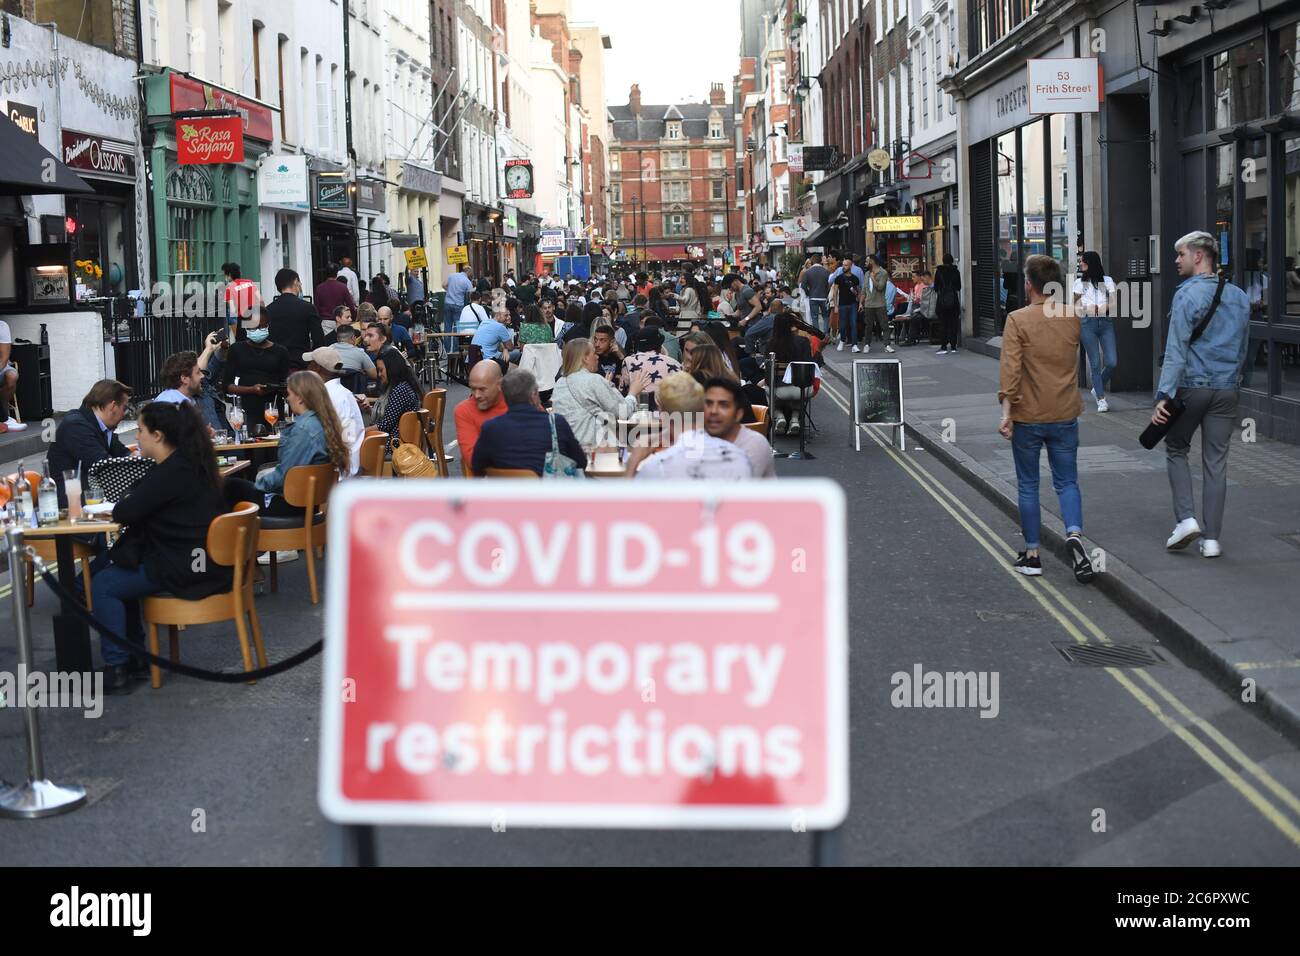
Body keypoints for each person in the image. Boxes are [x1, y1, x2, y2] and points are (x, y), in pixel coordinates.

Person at [90, 401, 231, 692]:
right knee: (120, 568)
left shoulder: (170, 472)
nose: (136, 437)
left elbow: (127, 512)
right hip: (201, 560)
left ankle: (117, 666)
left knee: (103, 584)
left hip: (185, 567)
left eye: (140, 430)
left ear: (158, 435)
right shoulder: (189, 463)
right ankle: (135, 657)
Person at [1152, 231, 1251, 559]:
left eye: (1180, 254)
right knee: (1216, 463)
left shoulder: (1186, 296)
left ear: (1198, 256)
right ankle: (1212, 540)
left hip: (1193, 387)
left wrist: (1164, 396)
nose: (1176, 260)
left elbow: (1176, 349)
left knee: (1176, 448)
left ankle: (1186, 520)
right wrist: (1234, 382)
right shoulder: (1238, 296)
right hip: (1226, 389)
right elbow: (1242, 348)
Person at [997, 253, 1094, 583]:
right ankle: (1075, 534)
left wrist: (1006, 414)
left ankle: (1033, 554)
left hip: (1029, 415)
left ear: (1029, 285)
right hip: (1065, 413)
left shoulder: (1017, 319)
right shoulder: (1071, 316)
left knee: (1028, 484)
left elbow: (1011, 372)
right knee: (1067, 481)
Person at [226, 371, 350, 526]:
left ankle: (232, 546)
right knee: (237, 484)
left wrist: (259, 481)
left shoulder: (303, 429)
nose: (287, 398)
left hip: (290, 504)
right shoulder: (324, 422)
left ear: (300, 397)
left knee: (227, 486)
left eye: (290, 394)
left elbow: (284, 476)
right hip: (308, 502)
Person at [628, 372, 753, 480]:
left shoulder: (657, 467)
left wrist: (633, 462)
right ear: (704, 411)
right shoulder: (740, 458)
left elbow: (626, 505)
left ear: (664, 416)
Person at [472, 369, 586, 476]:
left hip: (506, 495)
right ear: (534, 394)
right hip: (549, 495)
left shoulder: (490, 428)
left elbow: (478, 466)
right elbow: (581, 462)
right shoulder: (556, 423)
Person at [551, 338, 648, 449]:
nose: (597, 357)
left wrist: (605, 386)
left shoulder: (560, 383)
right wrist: (632, 393)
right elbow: (622, 412)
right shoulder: (594, 380)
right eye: (594, 353)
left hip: (565, 448)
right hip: (594, 448)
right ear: (585, 358)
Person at [48, 379, 132, 506]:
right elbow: (104, 467)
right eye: (124, 408)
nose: (124, 415)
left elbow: (123, 454)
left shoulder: (101, 426)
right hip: (70, 504)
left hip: (92, 497)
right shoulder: (75, 426)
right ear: (113, 406)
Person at [223, 306, 290, 428]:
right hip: (246, 409)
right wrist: (251, 389)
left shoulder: (280, 351)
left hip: (273, 408)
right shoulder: (236, 350)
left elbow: (284, 383)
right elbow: (227, 386)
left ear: (268, 325)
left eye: (262, 327)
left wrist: (280, 388)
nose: (258, 330)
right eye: (253, 327)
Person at [303, 347, 365, 476]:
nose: (307, 368)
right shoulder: (342, 393)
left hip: (338, 472)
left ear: (317, 368)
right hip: (347, 466)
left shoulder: (329, 397)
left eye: (310, 364)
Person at [702, 376, 775, 478]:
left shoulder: (754, 444)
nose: (714, 411)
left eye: (723, 405)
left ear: (738, 414)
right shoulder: (695, 440)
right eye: (708, 404)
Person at [1073, 250, 1119, 413]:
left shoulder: (1107, 281)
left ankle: (1096, 386)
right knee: (1094, 363)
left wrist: (1106, 306)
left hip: (1105, 323)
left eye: (1083, 261)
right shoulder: (1079, 283)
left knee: (1112, 362)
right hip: (1087, 324)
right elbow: (1076, 305)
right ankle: (1101, 399)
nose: (1081, 263)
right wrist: (1087, 307)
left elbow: (1114, 302)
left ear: (1091, 263)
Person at [454, 360, 509, 474]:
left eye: (482, 389)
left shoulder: (519, 400)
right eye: (473, 389)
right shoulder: (464, 410)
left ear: (499, 385)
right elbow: (472, 459)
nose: (477, 395)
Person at [266, 268, 324, 370]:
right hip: (300, 363)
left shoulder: (268, 309)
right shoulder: (308, 308)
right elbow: (318, 340)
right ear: (296, 281)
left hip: (274, 363)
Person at [768, 313, 816, 435]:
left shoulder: (771, 343)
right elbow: (809, 366)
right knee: (800, 388)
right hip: (802, 389)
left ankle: (779, 415)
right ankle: (795, 418)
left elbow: (768, 375)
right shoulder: (803, 341)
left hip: (780, 390)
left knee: (766, 389)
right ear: (792, 325)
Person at [619, 328, 683, 403]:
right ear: (660, 345)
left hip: (637, 409)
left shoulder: (628, 361)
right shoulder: (674, 363)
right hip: (667, 409)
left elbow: (622, 391)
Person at [371, 348, 424, 439]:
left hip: (394, 444)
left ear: (391, 369)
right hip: (401, 439)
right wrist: (370, 410)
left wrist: (361, 432)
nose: (379, 374)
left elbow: (385, 425)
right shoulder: (403, 385)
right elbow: (391, 414)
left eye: (381, 370)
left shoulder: (400, 390)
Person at [829, 255, 862, 352]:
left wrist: (860, 304)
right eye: (843, 265)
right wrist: (835, 305)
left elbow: (858, 292)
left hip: (853, 304)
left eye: (846, 265)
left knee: (853, 324)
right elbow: (835, 292)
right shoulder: (839, 278)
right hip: (842, 304)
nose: (844, 267)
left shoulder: (855, 279)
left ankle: (854, 345)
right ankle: (842, 340)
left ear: (851, 266)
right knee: (843, 325)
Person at [331, 325, 377, 393]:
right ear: (353, 338)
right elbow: (374, 375)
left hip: (331, 392)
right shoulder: (360, 353)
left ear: (337, 339)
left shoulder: (328, 350)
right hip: (354, 394)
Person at [0, 318, 26, 431]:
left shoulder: (2, 326)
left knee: (12, 376)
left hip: (1, 366)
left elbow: (4, 358)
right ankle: (4, 418)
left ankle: (4, 415)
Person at [933, 252, 962, 354]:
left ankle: (944, 346)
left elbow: (936, 288)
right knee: (953, 324)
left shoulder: (938, 272)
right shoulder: (956, 271)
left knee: (943, 324)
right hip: (953, 301)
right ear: (952, 260)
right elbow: (959, 287)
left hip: (942, 301)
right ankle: (953, 346)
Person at [222, 262, 261, 336]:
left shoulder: (230, 289)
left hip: (241, 321)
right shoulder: (250, 282)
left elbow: (233, 311)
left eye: (225, 275)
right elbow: (260, 300)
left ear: (229, 275)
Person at [313, 270, 356, 336]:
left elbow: (316, 307)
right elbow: (350, 305)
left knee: (328, 343)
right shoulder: (343, 287)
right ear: (336, 274)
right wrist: (351, 318)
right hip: (341, 320)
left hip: (326, 322)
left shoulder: (319, 288)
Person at [861, 255, 890, 352]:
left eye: (867, 261)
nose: (865, 263)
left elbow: (880, 287)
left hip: (880, 303)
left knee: (884, 325)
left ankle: (887, 345)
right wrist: (861, 303)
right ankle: (867, 345)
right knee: (868, 326)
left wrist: (873, 278)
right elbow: (864, 290)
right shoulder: (866, 274)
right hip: (868, 304)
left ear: (872, 262)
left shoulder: (883, 273)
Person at [799, 254, 831, 334]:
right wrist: (826, 293)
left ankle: (818, 335)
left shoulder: (808, 272)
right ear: (820, 261)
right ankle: (826, 334)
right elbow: (829, 285)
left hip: (813, 297)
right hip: (824, 297)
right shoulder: (826, 271)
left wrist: (808, 293)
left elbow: (803, 285)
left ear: (812, 261)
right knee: (825, 316)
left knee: (814, 317)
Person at [443, 267, 474, 351]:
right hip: (458, 305)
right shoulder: (467, 281)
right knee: (457, 328)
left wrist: (449, 291)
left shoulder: (452, 275)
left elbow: (444, 285)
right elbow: (471, 295)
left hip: (448, 303)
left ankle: (447, 350)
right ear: (468, 272)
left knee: (447, 328)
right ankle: (455, 350)